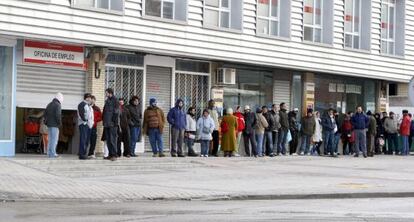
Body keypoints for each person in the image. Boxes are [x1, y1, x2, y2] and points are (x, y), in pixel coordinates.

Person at [44, 92, 63, 158]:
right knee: (54, 140)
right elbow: (58, 115)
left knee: (50, 139)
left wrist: (46, 123)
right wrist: (59, 123)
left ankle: (49, 153)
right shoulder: (58, 105)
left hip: (49, 125)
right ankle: (52, 154)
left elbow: (45, 114)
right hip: (55, 125)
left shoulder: (49, 104)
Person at [102, 88, 120, 161]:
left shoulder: (115, 100)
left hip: (112, 124)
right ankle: (110, 154)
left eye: (106, 93)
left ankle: (114, 155)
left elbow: (116, 112)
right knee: (108, 140)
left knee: (113, 140)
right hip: (107, 124)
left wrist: (114, 122)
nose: (105, 94)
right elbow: (105, 112)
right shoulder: (107, 101)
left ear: (110, 93)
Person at [77, 93, 94, 160]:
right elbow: (81, 114)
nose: (90, 99)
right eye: (89, 97)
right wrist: (85, 120)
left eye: (90, 98)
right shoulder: (82, 104)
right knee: (83, 139)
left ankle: (84, 153)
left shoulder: (88, 105)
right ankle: (81, 154)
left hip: (87, 125)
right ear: (86, 98)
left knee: (86, 140)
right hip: (83, 124)